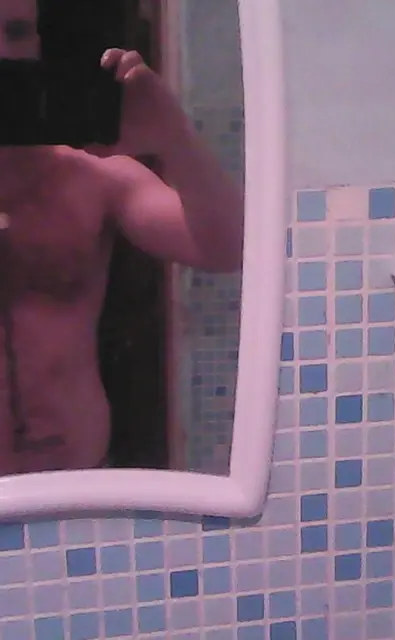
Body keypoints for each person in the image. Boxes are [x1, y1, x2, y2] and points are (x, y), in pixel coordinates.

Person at [0, 1, 244, 475]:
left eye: (16, 32)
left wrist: (173, 137)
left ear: (38, 47)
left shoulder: (93, 175)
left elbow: (228, 247)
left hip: (80, 482)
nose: (2, 54)